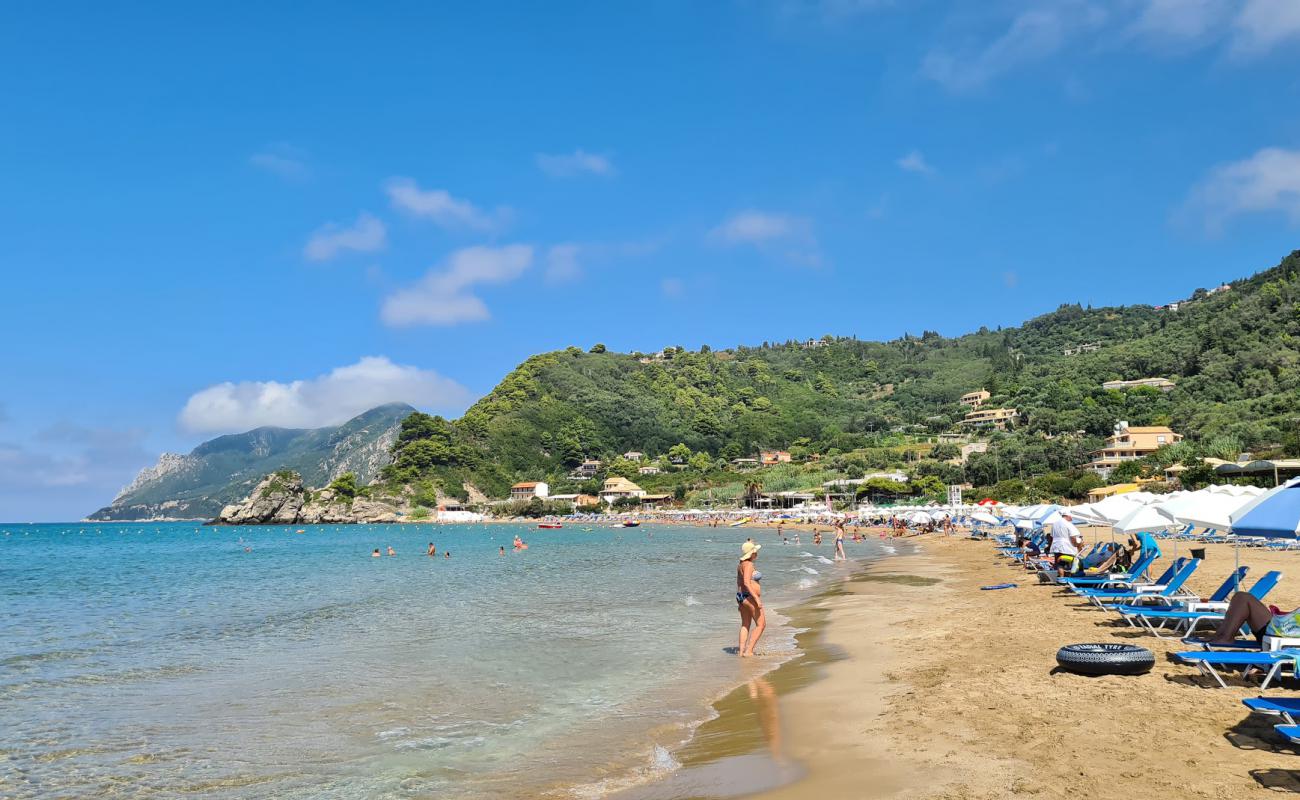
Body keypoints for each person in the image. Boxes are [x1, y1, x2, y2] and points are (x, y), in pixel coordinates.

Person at [1205, 592, 1300, 645]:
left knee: (1244, 598)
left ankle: (1226, 637)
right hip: (1280, 627)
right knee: (1240, 596)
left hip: (1278, 635)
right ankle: (1220, 635)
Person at [736, 540, 766, 657]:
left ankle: (741, 651)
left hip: (741, 596)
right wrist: (757, 599)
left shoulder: (740, 564)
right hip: (749, 597)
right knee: (761, 624)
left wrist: (740, 600)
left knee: (745, 624)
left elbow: (739, 583)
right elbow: (746, 583)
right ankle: (749, 651)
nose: (757, 554)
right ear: (751, 554)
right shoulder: (748, 565)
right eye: (755, 552)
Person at [1049, 512, 1083, 578]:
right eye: (1071, 517)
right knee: (1071, 562)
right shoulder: (1068, 524)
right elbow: (1073, 536)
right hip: (1067, 546)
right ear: (1068, 516)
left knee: (1059, 564)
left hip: (1056, 545)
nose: (1072, 518)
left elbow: (1052, 536)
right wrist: (1075, 544)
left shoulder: (1055, 524)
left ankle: (1061, 578)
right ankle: (1071, 577)